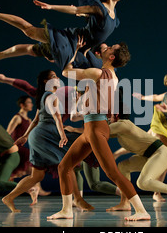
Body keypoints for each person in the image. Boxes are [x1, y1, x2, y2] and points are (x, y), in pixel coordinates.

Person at [48, 37, 150, 221]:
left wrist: (74, 50)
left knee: (112, 173)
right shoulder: (112, 76)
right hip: (91, 127)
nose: (106, 47)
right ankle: (66, 210)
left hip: (96, 128)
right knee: (64, 167)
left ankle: (142, 211)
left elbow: (66, 72)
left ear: (111, 56)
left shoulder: (98, 73)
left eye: (110, 47)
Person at [0, 0, 123, 72]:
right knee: (30, 32)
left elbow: (95, 32)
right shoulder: (100, 9)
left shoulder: (114, 17)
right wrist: (51, 6)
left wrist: (84, 49)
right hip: (70, 40)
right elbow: (75, 9)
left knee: (32, 50)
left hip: (79, 52)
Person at [1, 70, 93, 212]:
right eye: (53, 77)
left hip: (37, 135)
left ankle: (9, 197)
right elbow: (56, 117)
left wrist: (25, 136)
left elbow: (37, 119)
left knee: (37, 175)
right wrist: (62, 135)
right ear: (46, 81)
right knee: (68, 165)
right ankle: (78, 200)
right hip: (46, 135)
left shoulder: (44, 96)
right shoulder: (51, 96)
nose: (57, 78)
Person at [109, 89, 167, 211]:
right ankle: (125, 203)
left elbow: (98, 132)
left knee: (143, 183)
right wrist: (116, 154)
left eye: (110, 115)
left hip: (161, 153)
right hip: (148, 155)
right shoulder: (122, 129)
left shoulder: (122, 125)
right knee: (123, 167)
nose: (108, 118)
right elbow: (130, 145)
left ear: (117, 115)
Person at [132, 72, 167, 201]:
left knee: (145, 148)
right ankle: (156, 192)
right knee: (165, 160)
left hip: (161, 128)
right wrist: (165, 109)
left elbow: (155, 97)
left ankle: (155, 190)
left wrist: (142, 98)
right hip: (163, 130)